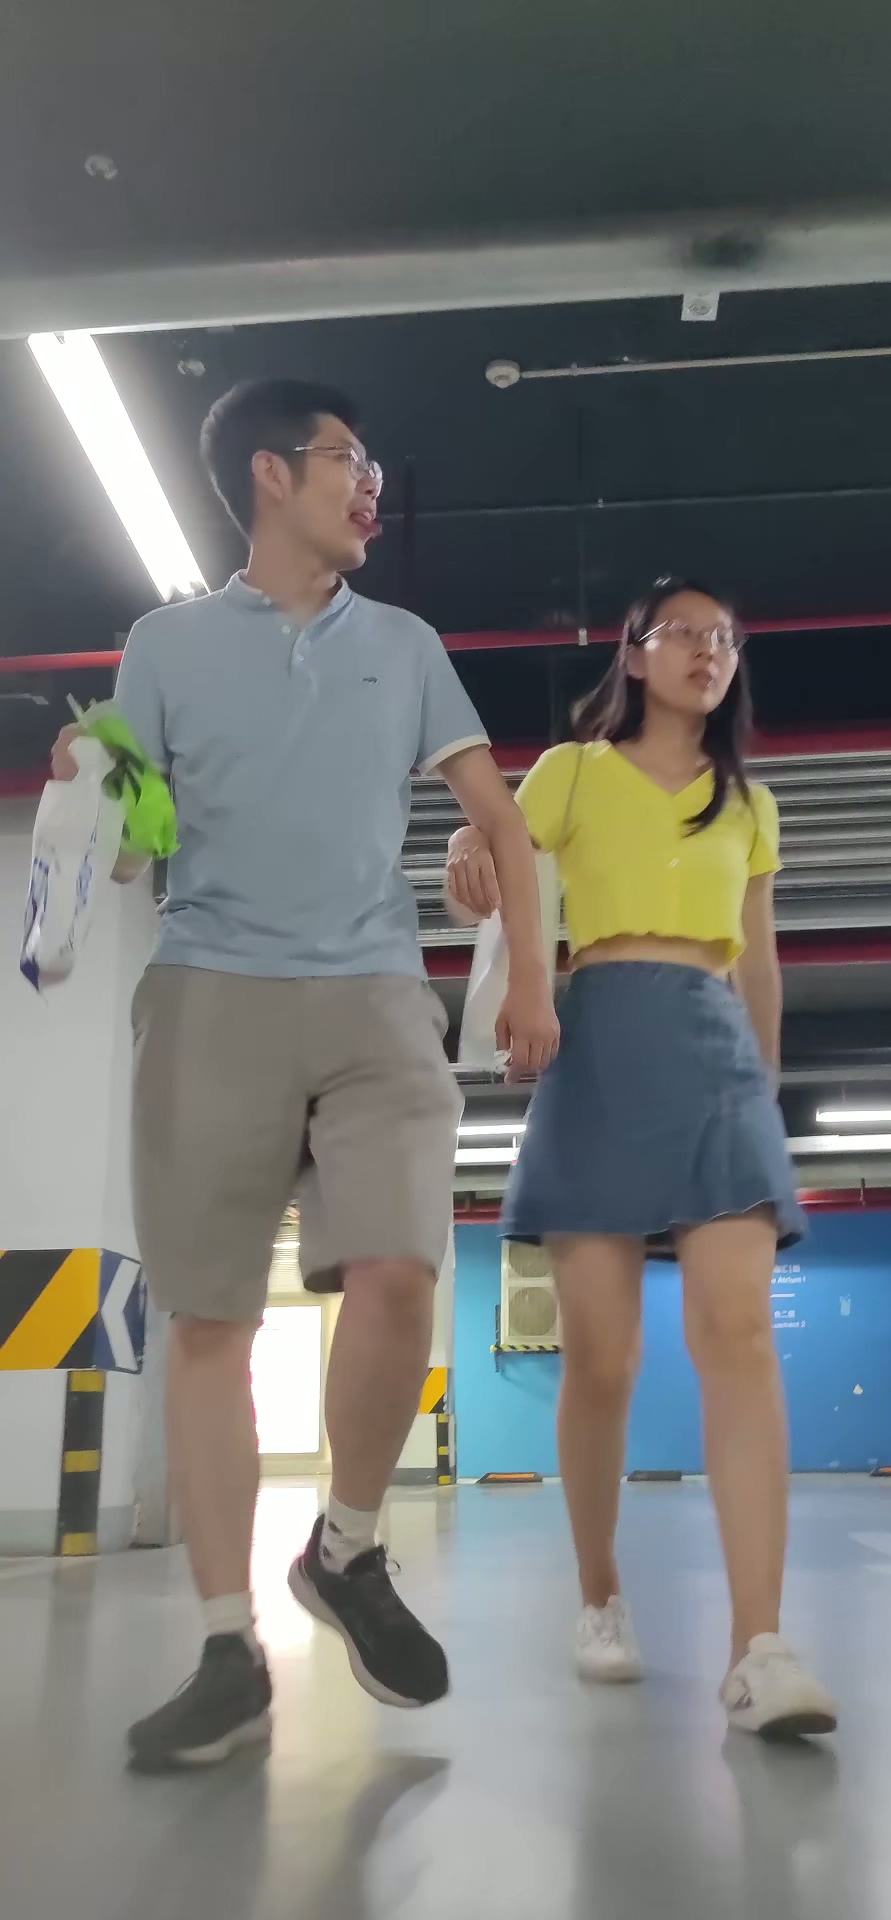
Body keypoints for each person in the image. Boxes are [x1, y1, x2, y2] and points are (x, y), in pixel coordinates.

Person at [51, 379, 559, 1772]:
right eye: (349, 459)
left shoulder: (404, 644)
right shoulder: (163, 644)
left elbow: (501, 818)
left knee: (399, 1270)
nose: (371, 484)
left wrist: (532, 978)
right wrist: (93, 777)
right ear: (273, 475)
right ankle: (229, 1646)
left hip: (378, 994)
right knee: (210, 1319)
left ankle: (345, 1547)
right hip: (211, 990)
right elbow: (137, 844)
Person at [446, 577, 837, 1739]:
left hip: (717, 1049)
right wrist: (469, 845)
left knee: (740, 1331)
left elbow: (759, 957)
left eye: (726, 639)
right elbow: (501, 851)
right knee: (604, 1357)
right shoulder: (573, 769)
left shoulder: (750, 803)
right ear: (634, 654)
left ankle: (759, 1646)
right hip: (599, 1036)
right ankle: (600, 1593)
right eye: (684, 634)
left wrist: (763, 1087)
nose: (708, 652)